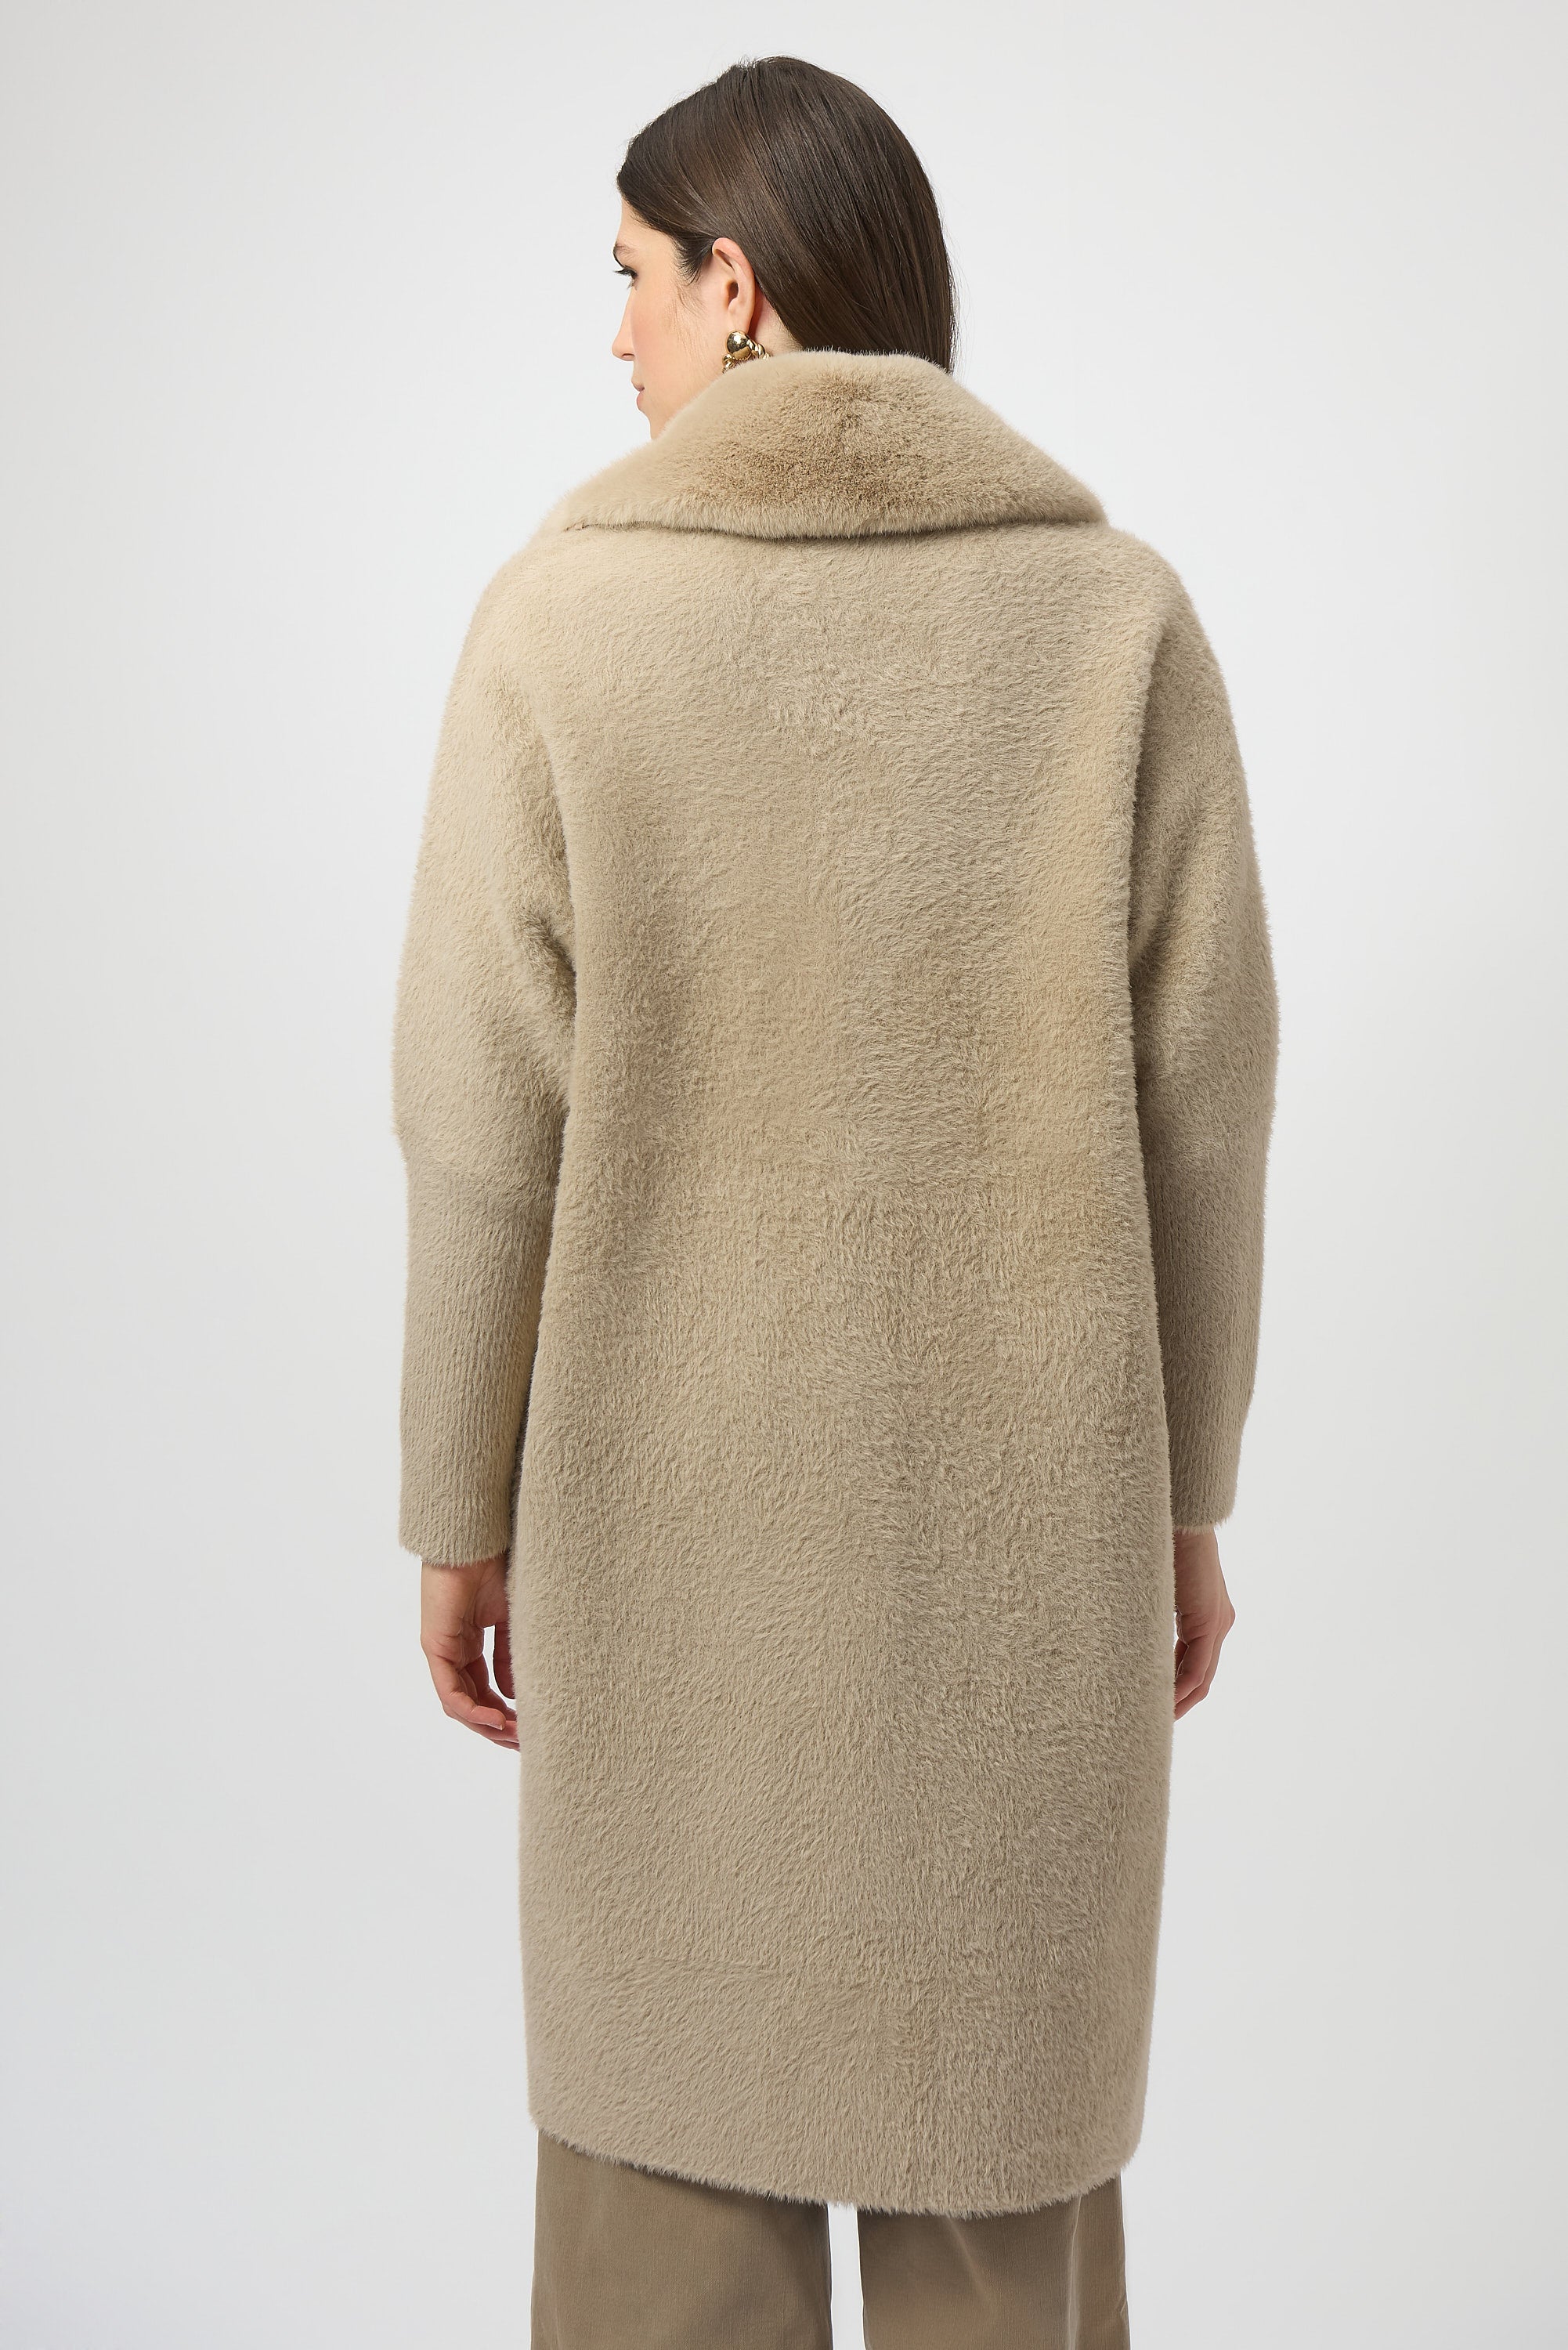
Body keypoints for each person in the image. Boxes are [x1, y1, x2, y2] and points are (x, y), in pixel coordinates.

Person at [392, 53, 1278, 2350]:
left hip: (667, 1567)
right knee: (1003, 2201)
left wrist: (458, 1506)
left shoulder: (563, 627)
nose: (611, 334)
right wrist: (1183, 1499)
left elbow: (478, 1121)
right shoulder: (1110, 624)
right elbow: (1207, 1109)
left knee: (664, 2208)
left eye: (628, 276)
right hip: (1026, 1577)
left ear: (737, 283)